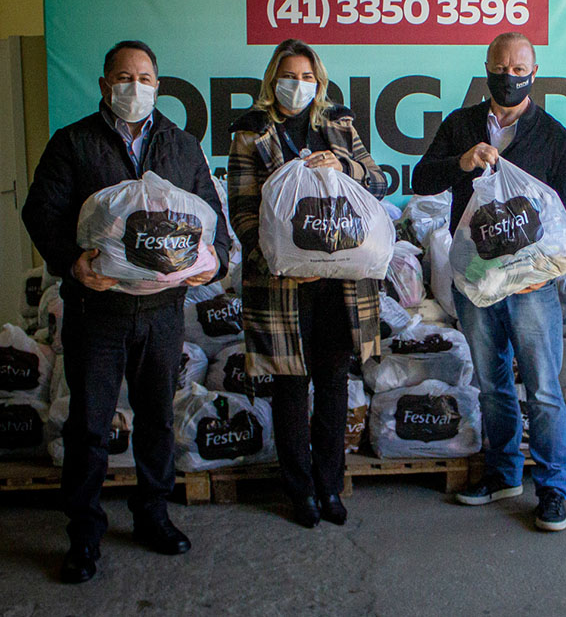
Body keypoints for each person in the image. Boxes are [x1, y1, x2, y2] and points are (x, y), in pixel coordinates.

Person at [22, 40, 230, 583]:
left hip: (163, 311)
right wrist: (71, 262)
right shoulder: (73, 143)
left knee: (157, 419)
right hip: (97, 308)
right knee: (89, 424)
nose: (133, 87)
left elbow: (213, 220)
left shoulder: (182, 146)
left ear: (158, 86)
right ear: (103, 85)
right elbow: (40, 210)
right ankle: (84, 536)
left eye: (144, 78)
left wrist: (219, 262)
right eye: (123, 77)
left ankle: (152, 516)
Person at [412, 32, 566, 532]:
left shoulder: (552, 136)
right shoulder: (460, 125)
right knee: (493, 387)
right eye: (501, 67)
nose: (510, 77)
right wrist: (460, 162)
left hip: (531, 290)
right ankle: (503, 475)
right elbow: (422, 180)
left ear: (534, 70)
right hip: (477, 284)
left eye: (519, 68)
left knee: (545, 390)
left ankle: (553, 489)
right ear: (487, 67)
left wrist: (538, 271)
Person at [227, 39, 387, 529]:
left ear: (319, 81)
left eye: (308, 76)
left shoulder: (339, 125)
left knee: (334, 383)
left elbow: (378, 182)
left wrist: (347, 166)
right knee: (291, 386)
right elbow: (243, 212)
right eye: (289, 75)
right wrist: (283, 262)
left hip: (341, 286)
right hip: (282, 286)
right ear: (273, 78)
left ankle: (330, 485)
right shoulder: (250, 134)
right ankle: (300, 491)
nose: (298, 85)